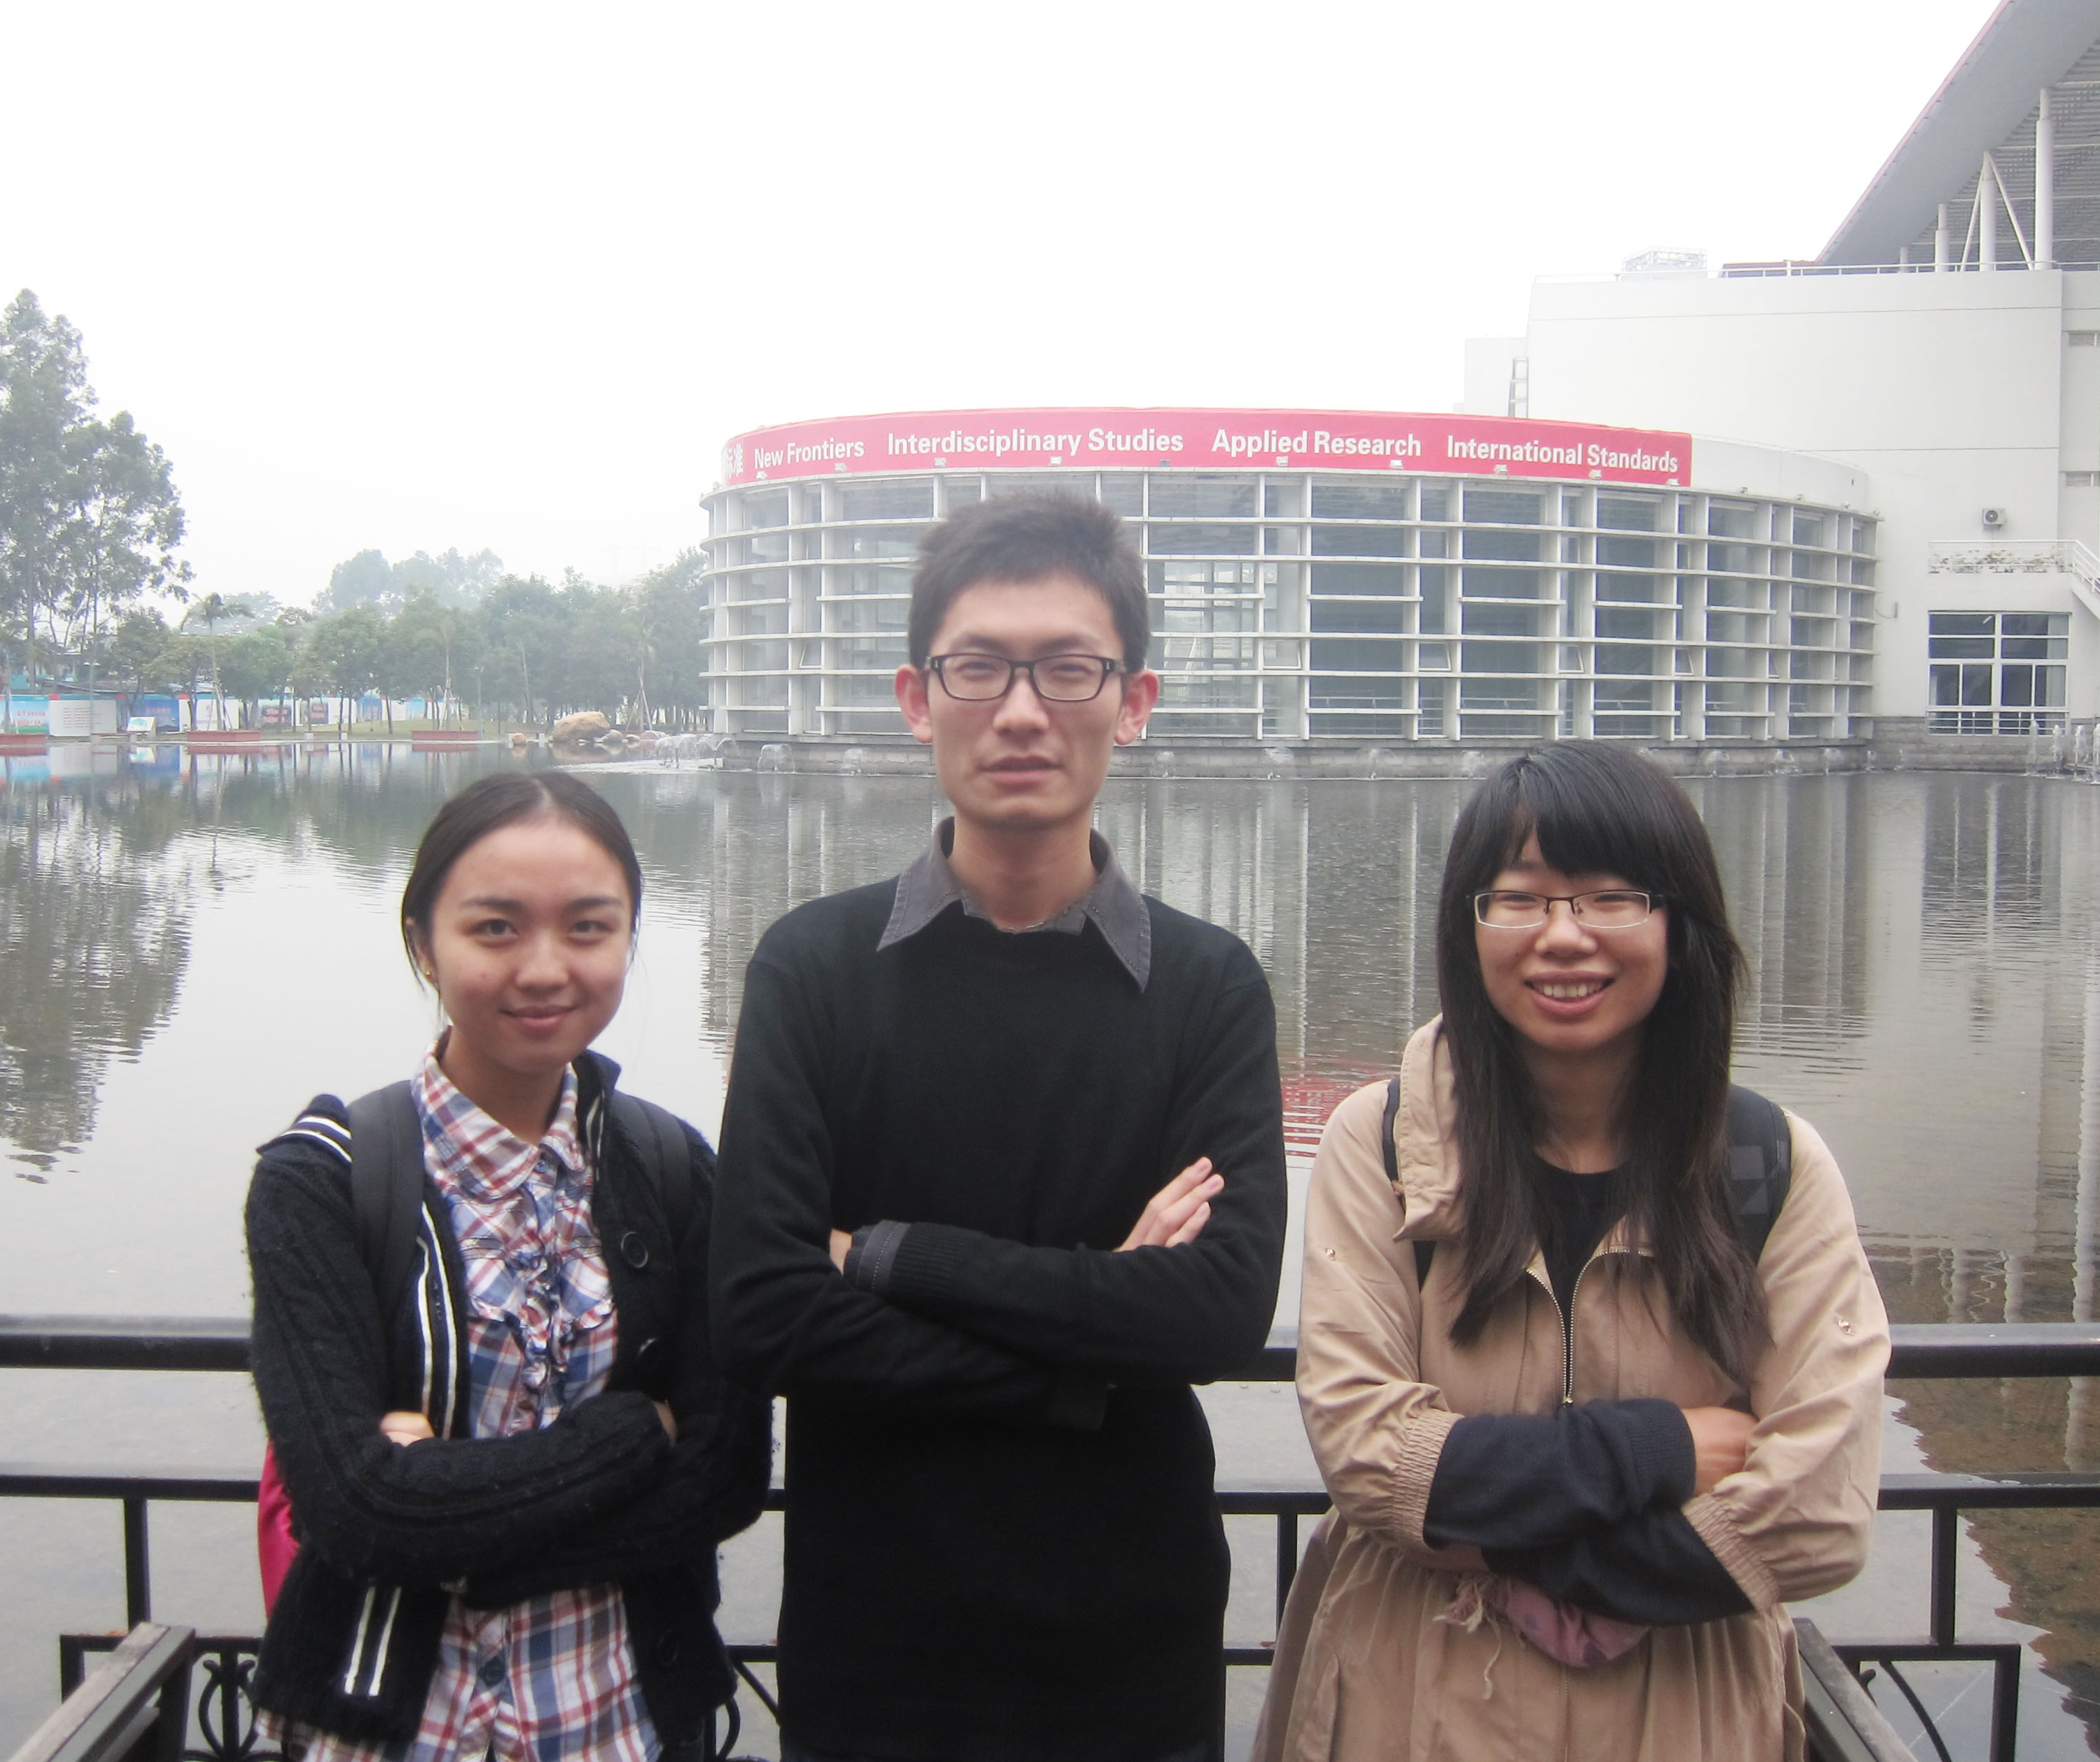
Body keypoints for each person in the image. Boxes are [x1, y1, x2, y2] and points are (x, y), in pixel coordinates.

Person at [710, 492, 1290, 1762]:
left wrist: (891, 1256)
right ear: (918, 699)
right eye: (979, 668)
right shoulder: (812, 969)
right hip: (879, 1646)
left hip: (1131, 1646)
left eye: (1068, 669)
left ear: (1133, 701)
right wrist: (1088, 1353)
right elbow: (761, 1308)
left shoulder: (1208, 985)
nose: (1022, 711)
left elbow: (1215, 1311)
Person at [1254, 742, 1888, 1762]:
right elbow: (1368, 1450)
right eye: (1519, 899)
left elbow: (1818, 1513)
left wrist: (1498, 1523)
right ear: (1468, 924)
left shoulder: (1770, 1163)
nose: (1562, 936)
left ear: (1678, 921)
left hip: (1683, 1715)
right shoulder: (1383, 1143)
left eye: (1609, 897)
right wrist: (1663, 1451)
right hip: (1411, 1703)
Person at [247, 770, 771, 1762]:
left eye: (588, 928)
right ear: (422, 943)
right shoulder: (322, 1182)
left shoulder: (673, 1172)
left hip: (624, 1721)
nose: (544, 968)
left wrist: (451, 1530)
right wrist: (630, 1435)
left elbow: (726, 1474)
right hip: (395, 1730)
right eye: (495, 928)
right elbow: (356, 1506)